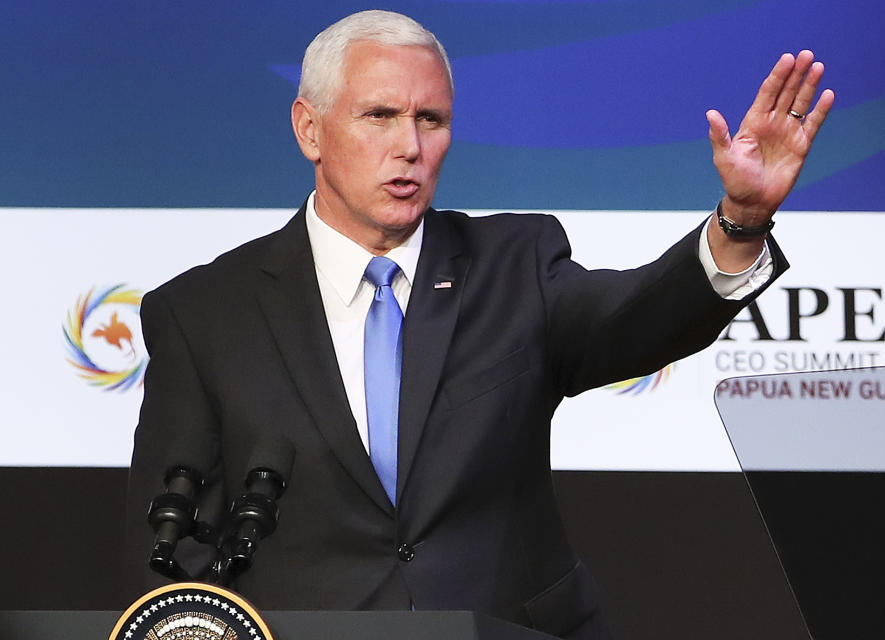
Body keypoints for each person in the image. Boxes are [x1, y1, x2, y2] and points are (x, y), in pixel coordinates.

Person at [124, 10, 833, 640]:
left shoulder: (513, 265)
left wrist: (739, 222)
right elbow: (171, 545)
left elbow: (635, 319)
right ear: (310, 128)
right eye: (379, 116)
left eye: (430, 120)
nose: (410, 146)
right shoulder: (204, 314)